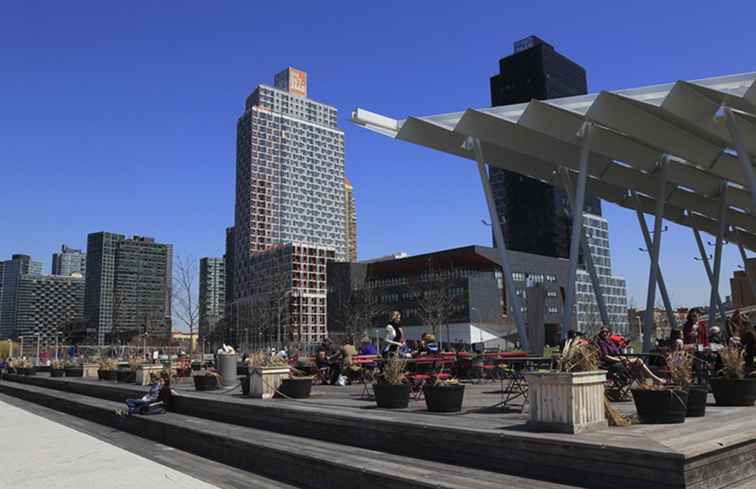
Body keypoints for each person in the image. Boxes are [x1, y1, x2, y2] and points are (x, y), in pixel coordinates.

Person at [596, 327, 665, 384]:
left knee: (638, 365)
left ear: (609, 333)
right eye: (603, 332)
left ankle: (644, 383)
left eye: (606, 332)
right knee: (639, 361)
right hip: (613, 363)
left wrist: (623, 344)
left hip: (621, 360)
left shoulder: (611, 342)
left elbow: (620, 347)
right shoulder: (602, 343)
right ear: (600, 334)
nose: (605, 333)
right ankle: (655, 379)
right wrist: (619, 359)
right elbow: (606, 357)